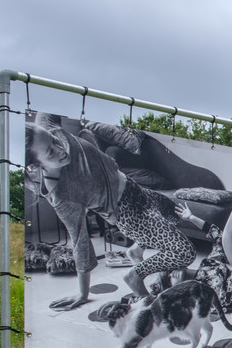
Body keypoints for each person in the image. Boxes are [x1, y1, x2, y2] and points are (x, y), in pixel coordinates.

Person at [25, 114, 197, 309]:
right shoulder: (62, 194)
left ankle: (136, 250)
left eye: (55, 141)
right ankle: (134, 276)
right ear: (35, 165)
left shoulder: (47, 128)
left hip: (137, 189)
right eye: (50, 153)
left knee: (173, 213)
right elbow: (79, 238)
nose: (61, 150)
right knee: (185, 252)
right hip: (128, 213)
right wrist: (83, 293)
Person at [175, 158, 232, 308]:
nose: (172, 274)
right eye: (168, 281)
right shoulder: (192, 294)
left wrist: (191, 217)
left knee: (225, 237)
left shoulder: (207, 263)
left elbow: (215, 233)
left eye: (169, 272)